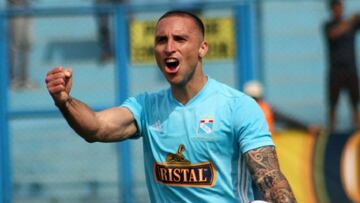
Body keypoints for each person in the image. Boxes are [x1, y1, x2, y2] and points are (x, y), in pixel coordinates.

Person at [45, 10, 296, 202]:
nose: (169, 47)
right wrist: (65, 102)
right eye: (161, 40)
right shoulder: (146, 107)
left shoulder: (237, 107)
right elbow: (96, 128)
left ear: (202, 48)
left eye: (180, 39)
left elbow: (270, 179)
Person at [324, 0, 360, 131]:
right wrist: (350, 20)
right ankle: (331, 131)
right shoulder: (328, 25)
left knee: (354, 103)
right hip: (336, 70)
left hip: (350, 69)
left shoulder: (352, 24)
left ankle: (356, 130)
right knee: (333, 104)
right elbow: (334, 33)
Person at [244, 80, 321, 136]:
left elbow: (288, 120)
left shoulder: (242, 110)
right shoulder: (267, 109)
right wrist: (308, 127)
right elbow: (289, 120)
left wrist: (307, 127)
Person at [8, 0, 37, 89]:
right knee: (15, 44)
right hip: (15, 7)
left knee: (27, 43)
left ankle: (25, 79)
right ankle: (14, 79)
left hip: (28, 7)